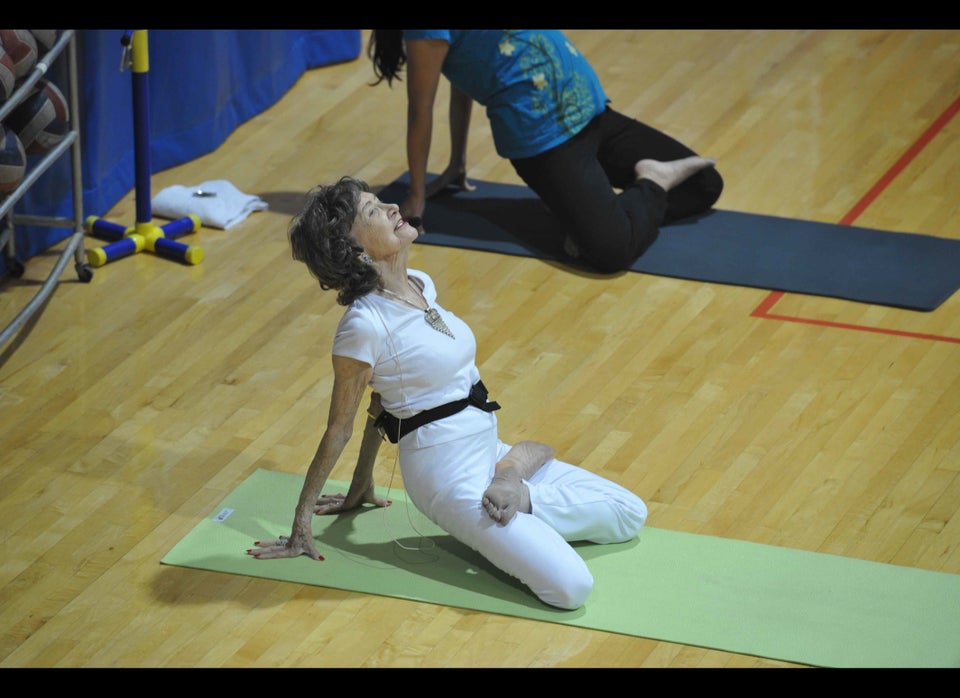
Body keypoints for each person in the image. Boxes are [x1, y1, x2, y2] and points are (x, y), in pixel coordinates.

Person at [249, 176, 648, 610]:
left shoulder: (420, 285)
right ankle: (513, 486)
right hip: (447, 478)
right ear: (357, 251)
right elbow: (339, 428)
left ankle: (515, 483)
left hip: (490, 448)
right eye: (373, 211)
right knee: (572, 589)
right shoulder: (363, 326)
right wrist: (300, 526)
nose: (391, 208)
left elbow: (380, 404)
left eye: (382, 201)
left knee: (630, 513)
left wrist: (360, 487)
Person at [367, 29, 724, 274]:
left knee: (703, 185)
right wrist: (418, 194)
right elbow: (425, 106)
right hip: (543, 139)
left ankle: (596, 212)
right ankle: (645, 187)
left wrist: (457, 162)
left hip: (589, 107)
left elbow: (459, 76)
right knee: (611, 253)